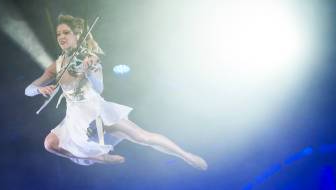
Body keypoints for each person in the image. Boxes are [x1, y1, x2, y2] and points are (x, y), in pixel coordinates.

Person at [25, 14, 208, 169]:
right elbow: (29, 90)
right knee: (50, 144)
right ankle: (98, 157)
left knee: (142, 137)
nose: (61, 37)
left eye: (66, 33)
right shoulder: (55, 66)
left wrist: (90, 73)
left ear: (77, 35)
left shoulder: (89, 58)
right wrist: (40, 88)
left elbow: (99, 89)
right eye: (58, 33)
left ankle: (185, 155)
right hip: (74, 116)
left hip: (97, 111)